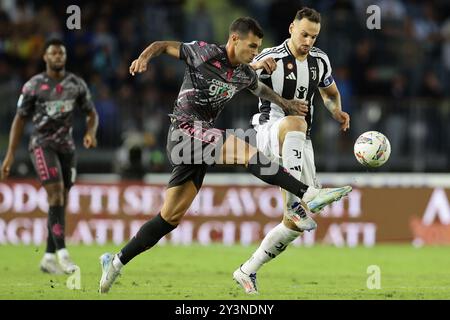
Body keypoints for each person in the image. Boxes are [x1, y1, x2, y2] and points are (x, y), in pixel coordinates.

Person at [98, 17, 351, 294]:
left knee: (169, 217)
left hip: (199, 142)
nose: (255, 52)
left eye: (258, 48)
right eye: (252, 46)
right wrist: (143, 58)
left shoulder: (243, 72)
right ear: (234, 39)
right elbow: (162, 45)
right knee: (244, 150)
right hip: (184, 131)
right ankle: (306, 194)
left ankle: (116, 261)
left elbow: (260, 88)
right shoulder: (205, 52)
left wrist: (286, 104)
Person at [234, 8, 352, 294]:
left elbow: (330, 92)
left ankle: (247, 270)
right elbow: (239, 75)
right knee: (296, 121)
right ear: (291, 28)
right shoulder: (271, 56)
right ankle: (294, 204)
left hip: (298, 141)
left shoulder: (319, 61)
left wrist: (336, 111)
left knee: (294, 226)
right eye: (304, 34)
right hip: (268, 131)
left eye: (313, 36)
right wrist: (258, 68)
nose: (308, 41)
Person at [0, 39, 99, 274]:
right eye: (53, 53)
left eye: (61, 53)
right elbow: (20, 119)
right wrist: (10, 156)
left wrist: (90, 132)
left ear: (65, 57)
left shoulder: (76, 84)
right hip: (42, 145)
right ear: (45, 57)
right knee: (55, 194)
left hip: (67, 148)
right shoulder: (33, 86)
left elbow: (91, 113)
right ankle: (63, 254)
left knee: (60, 201)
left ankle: (47, 257)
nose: (57, 57)